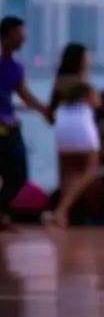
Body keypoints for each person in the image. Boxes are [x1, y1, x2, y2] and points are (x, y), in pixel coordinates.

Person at [0, 16, 51, 232]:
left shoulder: (16, 67)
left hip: (10, 127)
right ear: (6, 36)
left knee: (19, 175)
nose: (23, 41)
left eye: (24, 37)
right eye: (19, 36)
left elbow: (23, 93)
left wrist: (43, 110)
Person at [43, 43, 101, 229]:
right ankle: (61, 211)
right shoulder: (82, 81)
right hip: (81, 121)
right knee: (91, 169)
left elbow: (50, 109)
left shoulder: (59, 81)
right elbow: (96, 102)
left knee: (66, 173)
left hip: (63, 122)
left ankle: (63, 214)